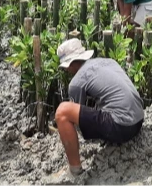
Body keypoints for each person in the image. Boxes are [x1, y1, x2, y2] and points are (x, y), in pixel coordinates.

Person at [50, 38, 144, 182]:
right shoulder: (108, 62)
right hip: (138, 121)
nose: (67, 70)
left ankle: (75, 171)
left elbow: (75, 121)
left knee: (62, 112)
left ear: (71, 63)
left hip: (122, 127)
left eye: (66, 66)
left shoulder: (77, 82)